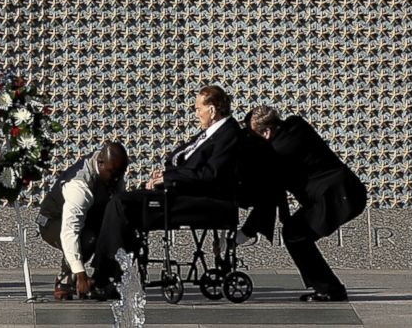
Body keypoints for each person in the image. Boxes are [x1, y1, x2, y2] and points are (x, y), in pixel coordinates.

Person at [87, 85, 279, 296]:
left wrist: (169, 178)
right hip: (181, 192)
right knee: (120, 203)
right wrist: (163, 175)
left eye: (199, 109)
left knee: (121, 204)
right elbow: (182, 159)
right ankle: (110, 272)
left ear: (212, 110)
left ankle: (105, 276)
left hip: (200, 200)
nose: (196, 113)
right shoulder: (210, 134)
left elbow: (211, 174)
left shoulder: (228, 134)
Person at [248, 105, 367, 303]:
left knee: (295, 235)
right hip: (346, 191)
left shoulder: (279, 151)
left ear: (266, 132)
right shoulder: (296, 124)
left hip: (336, 197)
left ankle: (330, 289)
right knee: (295, 233)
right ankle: (327, 287)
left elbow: (273, 185)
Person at [37, 142, 129, 301]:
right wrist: (80, 274)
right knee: (87, 239)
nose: (116, 179)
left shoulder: (112, 172)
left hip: (86, 217)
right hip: (52, 221)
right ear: (100, 163)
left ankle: (100, 279)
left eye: (120, 175)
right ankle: (65, 281)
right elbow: (69, 231)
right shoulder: (79, 186)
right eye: (113, 173)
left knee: (112, 228)